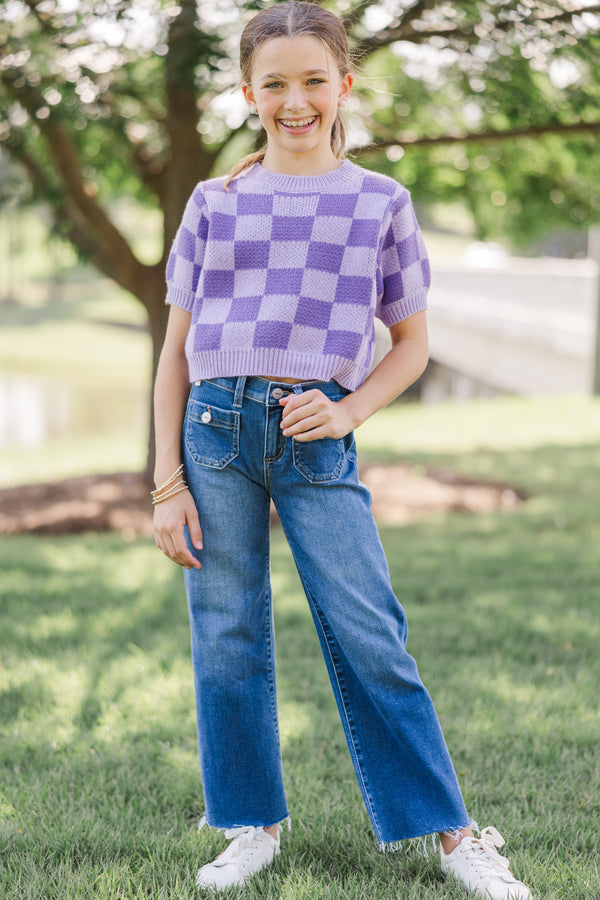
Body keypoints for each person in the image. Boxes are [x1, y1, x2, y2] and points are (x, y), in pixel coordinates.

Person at [152, 3, 531, 897]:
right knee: (229, 632)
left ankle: (451, 834)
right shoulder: (214, 203)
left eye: (312, 81)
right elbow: (175, 352)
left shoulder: (379, 204)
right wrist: (165, 481)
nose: (295, 101)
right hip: (213, 433)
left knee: (372, 634)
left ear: (344, 85)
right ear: (248, 93)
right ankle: (251, 823)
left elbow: (410, 344)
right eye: (274, 84)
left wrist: (350, 408)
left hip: (315, 434)